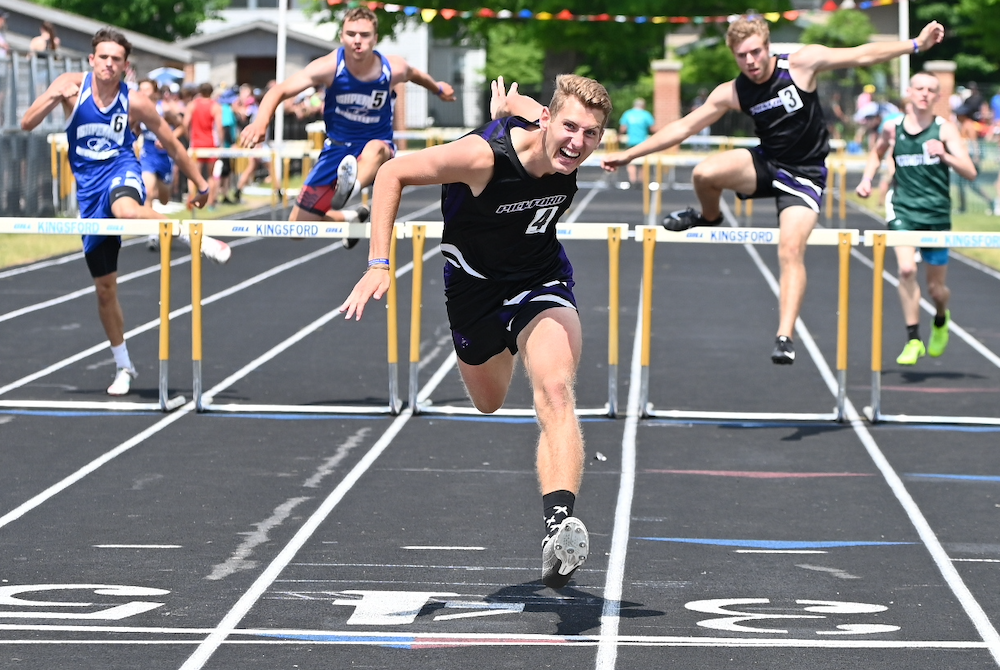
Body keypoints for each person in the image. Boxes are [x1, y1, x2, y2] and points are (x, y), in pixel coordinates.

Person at [339, 74, 610, 589]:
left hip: (540, 280)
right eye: (570, 127)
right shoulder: (482, 158)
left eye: (592, 134)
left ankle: (558, 527)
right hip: (474, 291)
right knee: (489, 400)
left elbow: (528, 104)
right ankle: (505, 343)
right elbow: (393, 174)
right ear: (548, 121)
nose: (578, 143)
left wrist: (508, 102)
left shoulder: (554, 130)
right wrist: (378, 263)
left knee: (555, 389)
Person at [601, 14, 946, 365]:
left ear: (768, 47)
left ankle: (784, 336)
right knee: (704, 173)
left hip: (806, 175)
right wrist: (630, 154)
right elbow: (684, 128)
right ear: (733, 56)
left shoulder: (802, 64)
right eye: (742, 56)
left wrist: (916, 44)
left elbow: (862, 54)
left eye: (755, 52)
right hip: (766, 164)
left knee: (790, 248)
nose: (750, 62)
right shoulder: (732, 92)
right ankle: (709, 216)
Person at [21, 28, 212, 396]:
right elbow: (28, 122)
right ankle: (123, 365)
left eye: (117, 59)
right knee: (105, 290)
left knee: (126, 208)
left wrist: (201, 185)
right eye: (103, 57)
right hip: (89, 194)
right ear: (91, 60)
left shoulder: (135, 101)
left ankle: (188, 232)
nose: (109, 63)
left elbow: (171, 142)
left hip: (122, 172)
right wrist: (53, 97)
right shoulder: (70, 86)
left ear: (126, 67)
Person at [239, 6, 455, 233]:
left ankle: (350, 187)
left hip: (376, 145)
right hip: (337, 149)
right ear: (342, 37)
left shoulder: (392, 68)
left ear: (375, 39)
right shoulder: (329, 67)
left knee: (375, 150)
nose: (357, 41)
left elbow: (416, 75)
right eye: (351, 34)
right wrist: (261, 122)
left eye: (364, 35)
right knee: (298, 228)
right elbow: (279, 90)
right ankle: (351, 216)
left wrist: (438, 88)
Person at [856, 72, 976, 365]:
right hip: (903, 210)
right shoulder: (892, 128)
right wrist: (867, 179)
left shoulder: (944, 130)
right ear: (909, 92)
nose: (924, 93)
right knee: (907, 270)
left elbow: (970, 171)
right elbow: (876, 153)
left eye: (930, 90)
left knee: (936, 289)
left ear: (937, 97)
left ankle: (940, 317)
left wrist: (945, 156)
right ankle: (913, 339)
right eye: (919, 88)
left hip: (936, 213)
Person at [137, 79, 231, 263]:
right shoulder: (135, 109)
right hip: (148, 157)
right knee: (148, 192)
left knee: (163, 198)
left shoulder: (164, 111)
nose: (144, 93)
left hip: (164, 158)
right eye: (141, 90)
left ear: (155, 93)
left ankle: (204, 201)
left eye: (147, 90)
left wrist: (169, 138)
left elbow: (182, 125)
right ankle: (153, 234)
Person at [185, 82, 223, 210]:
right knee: (212, 175)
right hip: (211, 144)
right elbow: (219, 126)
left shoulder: (193, 105)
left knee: (194, 174)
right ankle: (211, 203)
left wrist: (188, 137)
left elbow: (185, 123)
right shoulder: (215, 106)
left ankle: (192, 199)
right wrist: (221, 143)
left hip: (196, 144)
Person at [617, 97, 655, 186]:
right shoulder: (646, 115)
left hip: (631, 142)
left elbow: (623, 128)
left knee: (630, 161)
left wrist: (619, 136)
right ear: (643, 106)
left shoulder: (628, 114)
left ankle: (633, 180)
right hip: (643, 142)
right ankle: (641, 180)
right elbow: (652, 128)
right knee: (643, 163)